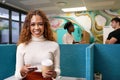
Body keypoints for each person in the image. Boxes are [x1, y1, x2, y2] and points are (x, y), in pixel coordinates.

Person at [14, 10, 60, 80]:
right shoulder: (21, 46)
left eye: (40, 24)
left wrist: (54, 74)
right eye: (32, 24)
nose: (36, 28)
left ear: (45, 26)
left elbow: (57, 70)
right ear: (28, 27)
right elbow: (17, 75)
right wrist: (22, 72)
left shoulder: (54, 45)